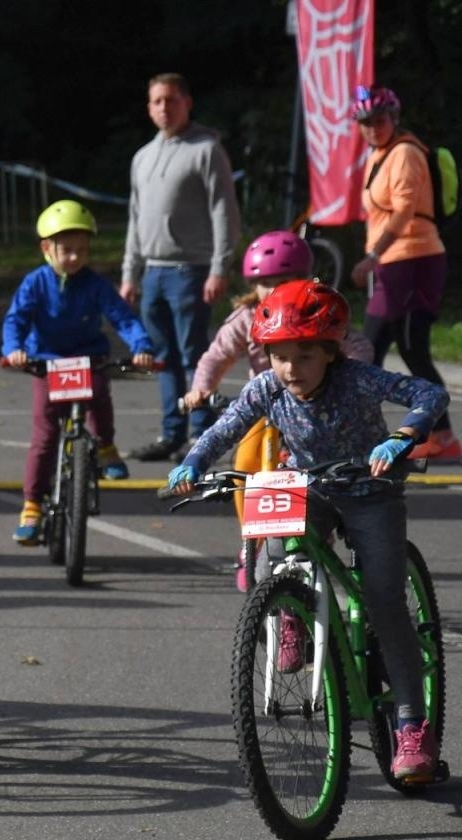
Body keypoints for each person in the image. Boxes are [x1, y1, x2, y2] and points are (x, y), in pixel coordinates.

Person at [168, 280, 449, 783]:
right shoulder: (267, 387)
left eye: (304, 356)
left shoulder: (357, 378)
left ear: (330, 351)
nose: (290, 368)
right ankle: (289, 613)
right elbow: (225, 428)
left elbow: (429, 393)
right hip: (309, 487)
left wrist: (403, 436)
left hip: (370, 491)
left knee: (384, 601)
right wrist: (193, 461)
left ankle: (412, 725)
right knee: (268, 556)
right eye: (278, 356)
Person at [183, 231, 374, 589]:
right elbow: (215, 356)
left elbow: (357, 345)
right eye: (265, 283)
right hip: (266, 408)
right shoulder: (246, 318)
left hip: (313, 406)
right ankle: (251, 542)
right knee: (245, 465)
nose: (273, 291)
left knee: (319, 473)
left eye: (284, 282)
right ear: (252, 286)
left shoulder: (317, 312)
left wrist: (350, 376)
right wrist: (201, 388)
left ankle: (316, 533)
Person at [3, 201, 156, 544]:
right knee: (45, 435)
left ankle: (106, 447)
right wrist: (13, 349)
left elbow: (122, 318)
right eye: (67, 250)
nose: (75, 257)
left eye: (82, 250)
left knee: (99, 395)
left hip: (88, 358)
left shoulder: (95, 284)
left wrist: (141, 347)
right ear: (47, 248)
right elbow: (16, 319)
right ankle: (32, 505)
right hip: (46, 361)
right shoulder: (35, 283)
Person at [120, 73, 241, 463]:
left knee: (194, 356)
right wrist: (130, 274)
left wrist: (219, 267)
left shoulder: (206, 150)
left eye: (171, 100)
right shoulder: (142, 156)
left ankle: (200, 434)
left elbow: (224, 212)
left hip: (191, 269)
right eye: (156, 101)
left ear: (187, 102)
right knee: (163, 358)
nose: (164, 108)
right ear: (149, 107)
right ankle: (171, 433)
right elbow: (135, 219)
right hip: (153, 271)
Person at [348, 84, 458, 463]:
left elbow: (404, 211)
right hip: (396, 264)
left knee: (377, 351)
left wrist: (372, 256)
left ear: (393, 118)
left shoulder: (405, 153)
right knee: (382, 351)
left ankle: (439, 437)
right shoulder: (379, 155)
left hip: (413, 260)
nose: (371, 128)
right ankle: (437, 435)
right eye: (364, 122)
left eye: (378, 121)